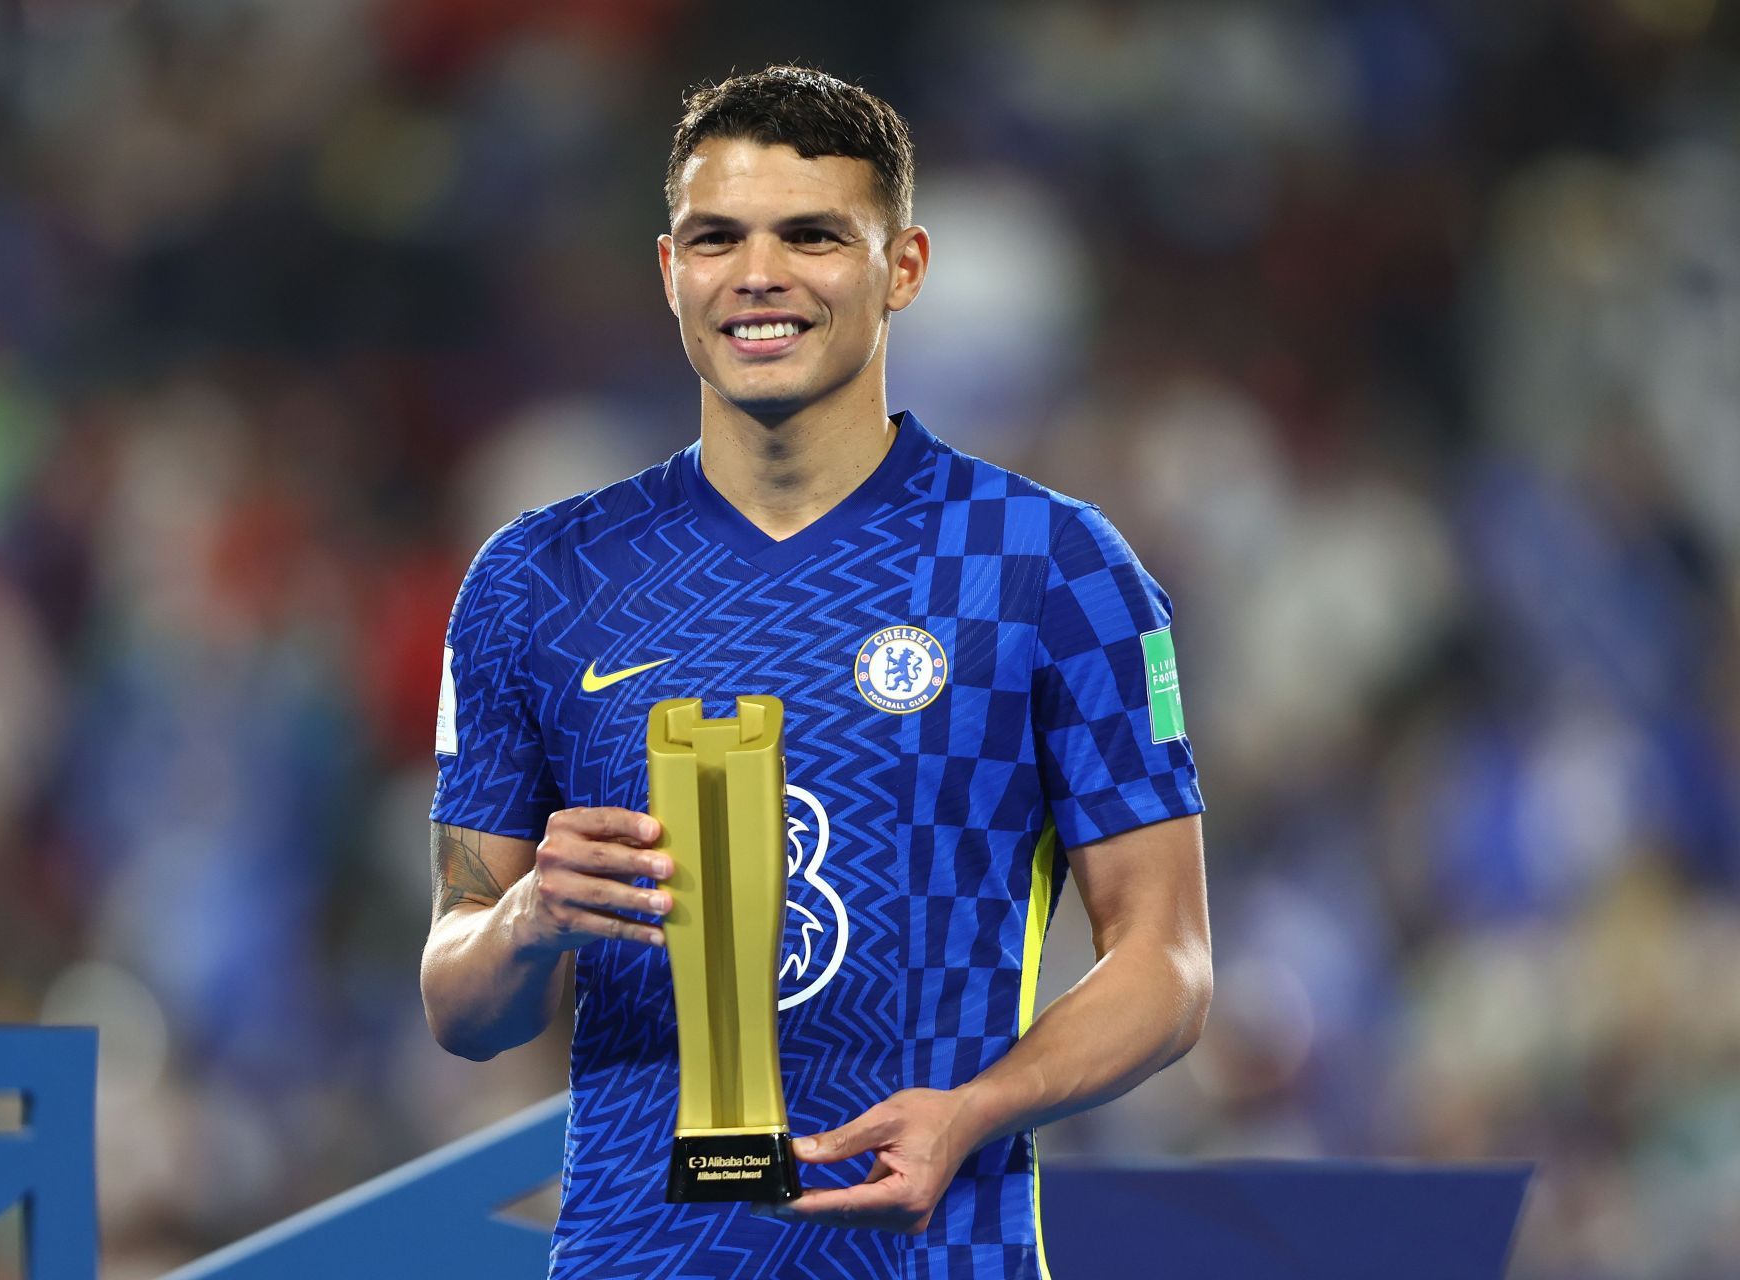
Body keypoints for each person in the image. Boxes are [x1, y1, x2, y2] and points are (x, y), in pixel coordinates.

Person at [422, 65, 1211, 1280]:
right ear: (668, 269)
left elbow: (1169, 960)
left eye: (812, 236)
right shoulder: (539, 578)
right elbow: (461, 1006)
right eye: (716, 238)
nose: (759, 275)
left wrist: (976, 1107)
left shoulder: (1047, 566)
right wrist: (527, 917)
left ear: (904, 267)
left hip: (944, 1255)